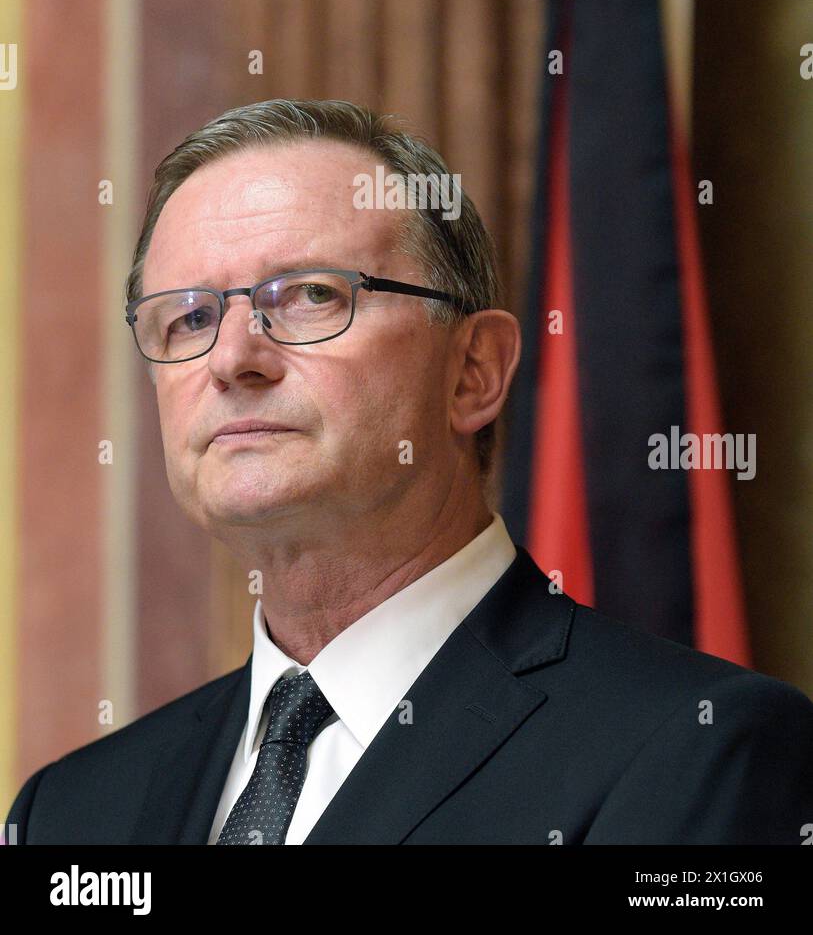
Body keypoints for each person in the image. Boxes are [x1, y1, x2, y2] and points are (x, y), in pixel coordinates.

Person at [6, 99, 813, 845]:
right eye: (188, 317)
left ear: (473, 372)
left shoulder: (700, 748)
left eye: (310, 295)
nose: (232, 359)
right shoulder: (70, 814)